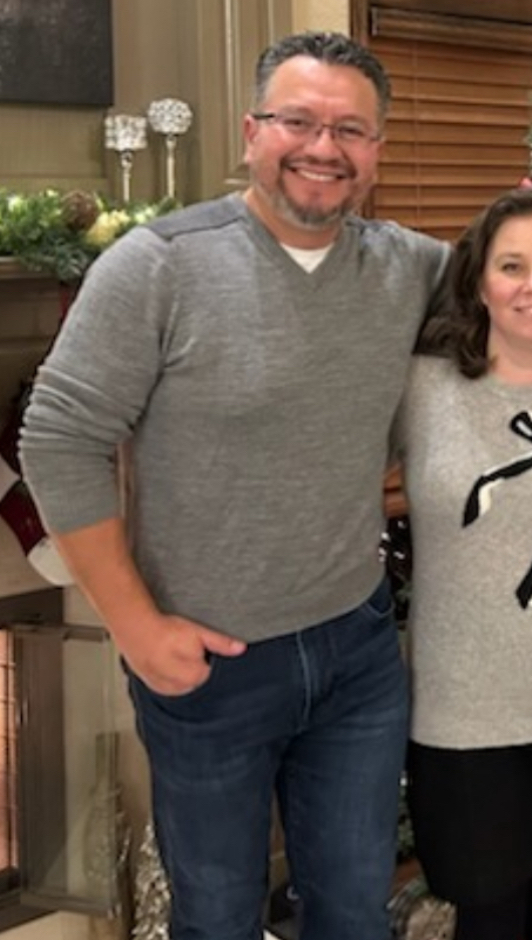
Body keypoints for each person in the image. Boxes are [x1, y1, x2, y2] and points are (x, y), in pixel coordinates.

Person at [19, 32, 449, 940]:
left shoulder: (413, 268)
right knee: (215, 919)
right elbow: (58, 438)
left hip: (358, 649)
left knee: (354, 910)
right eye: (298, 121)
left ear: (376, 150)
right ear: (252, 132)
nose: (323, 148)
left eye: (350, 130)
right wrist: (135, 626)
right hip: (208, 666)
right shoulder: (157, 266)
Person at [394, 187, 532, 940]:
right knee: (487, 915)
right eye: (512, 266)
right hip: (464, 713)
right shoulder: (421, 389)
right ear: (480, 280)